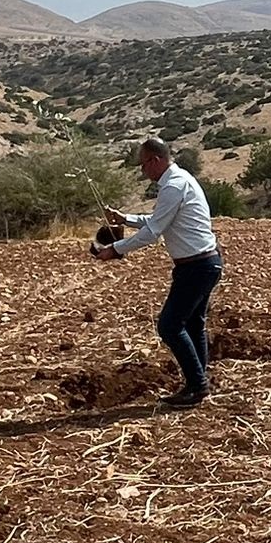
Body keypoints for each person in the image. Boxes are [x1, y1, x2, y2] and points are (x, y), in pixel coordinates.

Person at [94, 137, 222, 407]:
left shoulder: (174, 186)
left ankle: (197, 386)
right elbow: (158, 220)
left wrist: (115, 249)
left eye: (143, 165)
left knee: (169, 326)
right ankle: (198, 382)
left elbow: (153, 232)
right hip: (202, 263)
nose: (143, 172)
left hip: (197, 267)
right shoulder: (179, 180)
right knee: (193, 323)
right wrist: (125, 218)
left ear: (156, 161)